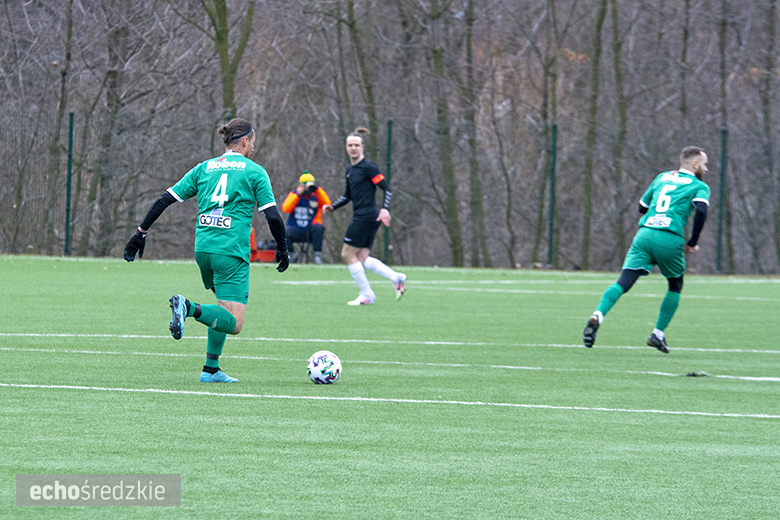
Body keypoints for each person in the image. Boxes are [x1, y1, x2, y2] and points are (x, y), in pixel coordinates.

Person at [123, 118, 289, 382]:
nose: (253, 148)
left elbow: (164, 199)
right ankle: (187, 308)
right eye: (253, 142)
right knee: (234, 323)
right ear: (245, 141)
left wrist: (139, 233)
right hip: (231, 252)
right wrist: (282, 247)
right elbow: (272, 216)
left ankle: (211, 369)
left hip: (203, 249)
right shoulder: (254, 171)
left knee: (223, 306)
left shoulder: (205, 168)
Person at [583, 145, 710, 353]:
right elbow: (702, 210)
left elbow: (642, 207)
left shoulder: (661, 178)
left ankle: (598, 314)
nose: (706, 169)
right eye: (704, 165)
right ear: (695, 164)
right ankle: (657, 334)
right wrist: (693, 241)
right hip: (669, 237)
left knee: (623, 282)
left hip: (644, 234)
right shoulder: (699, 186)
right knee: (675, 284)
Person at [322, 127, 406, 305]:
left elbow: (387, 188)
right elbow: (348, 195)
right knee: (361, 258)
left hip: (366, 216)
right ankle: (396, 277)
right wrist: (332, 207)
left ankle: (367, 294)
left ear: (363, 147)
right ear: (346, 147)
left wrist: (385, 209)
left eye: (356, 145)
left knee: (346, 254)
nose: (353, 148)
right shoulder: (349, 170)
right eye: (350, 145)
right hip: (365, 216)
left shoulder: (369, 167)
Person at [281, 171, 331, 264]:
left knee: (319, 228)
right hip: (296, 229)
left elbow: (327, 203)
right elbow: (285, 208)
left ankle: (317, 257)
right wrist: (298, 194)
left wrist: (317, 189)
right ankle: (290, 257)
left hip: (311, 231)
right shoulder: (294, 195)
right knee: (285, 231)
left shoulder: (317, 196)